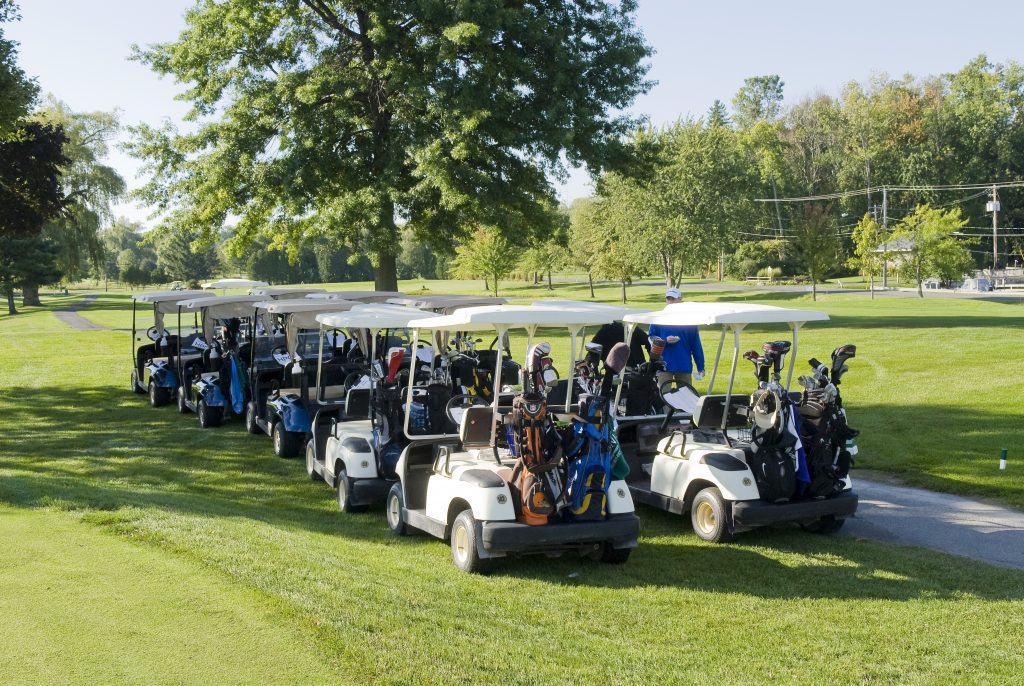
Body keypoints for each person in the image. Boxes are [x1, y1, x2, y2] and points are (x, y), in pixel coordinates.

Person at [648, 287, 704, 389]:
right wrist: (665, 340)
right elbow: (651, 339)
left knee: (686, 395)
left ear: (680, 299)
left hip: (683, 365)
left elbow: (696, 345)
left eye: (673, 299)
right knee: (662, 395)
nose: (670, 301)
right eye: (668, 298)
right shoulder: (657, 318)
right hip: (663, 365)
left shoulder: (690, 320)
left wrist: (701, 367)